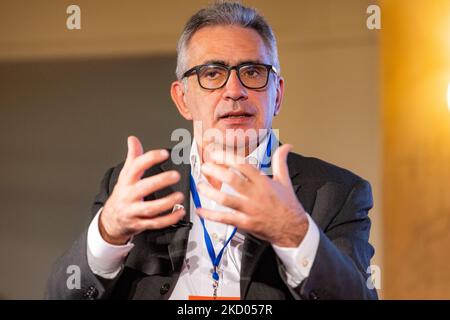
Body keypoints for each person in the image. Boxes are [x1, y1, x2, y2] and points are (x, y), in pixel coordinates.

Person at [46, 1, 378, 300]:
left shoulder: (336, 193)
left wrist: (293, 233)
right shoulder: (133, 187)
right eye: (213, 74)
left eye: (252, 72)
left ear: (276, 94)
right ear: (182, 98)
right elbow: (60, 296)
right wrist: (108, 233)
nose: (235, 90)